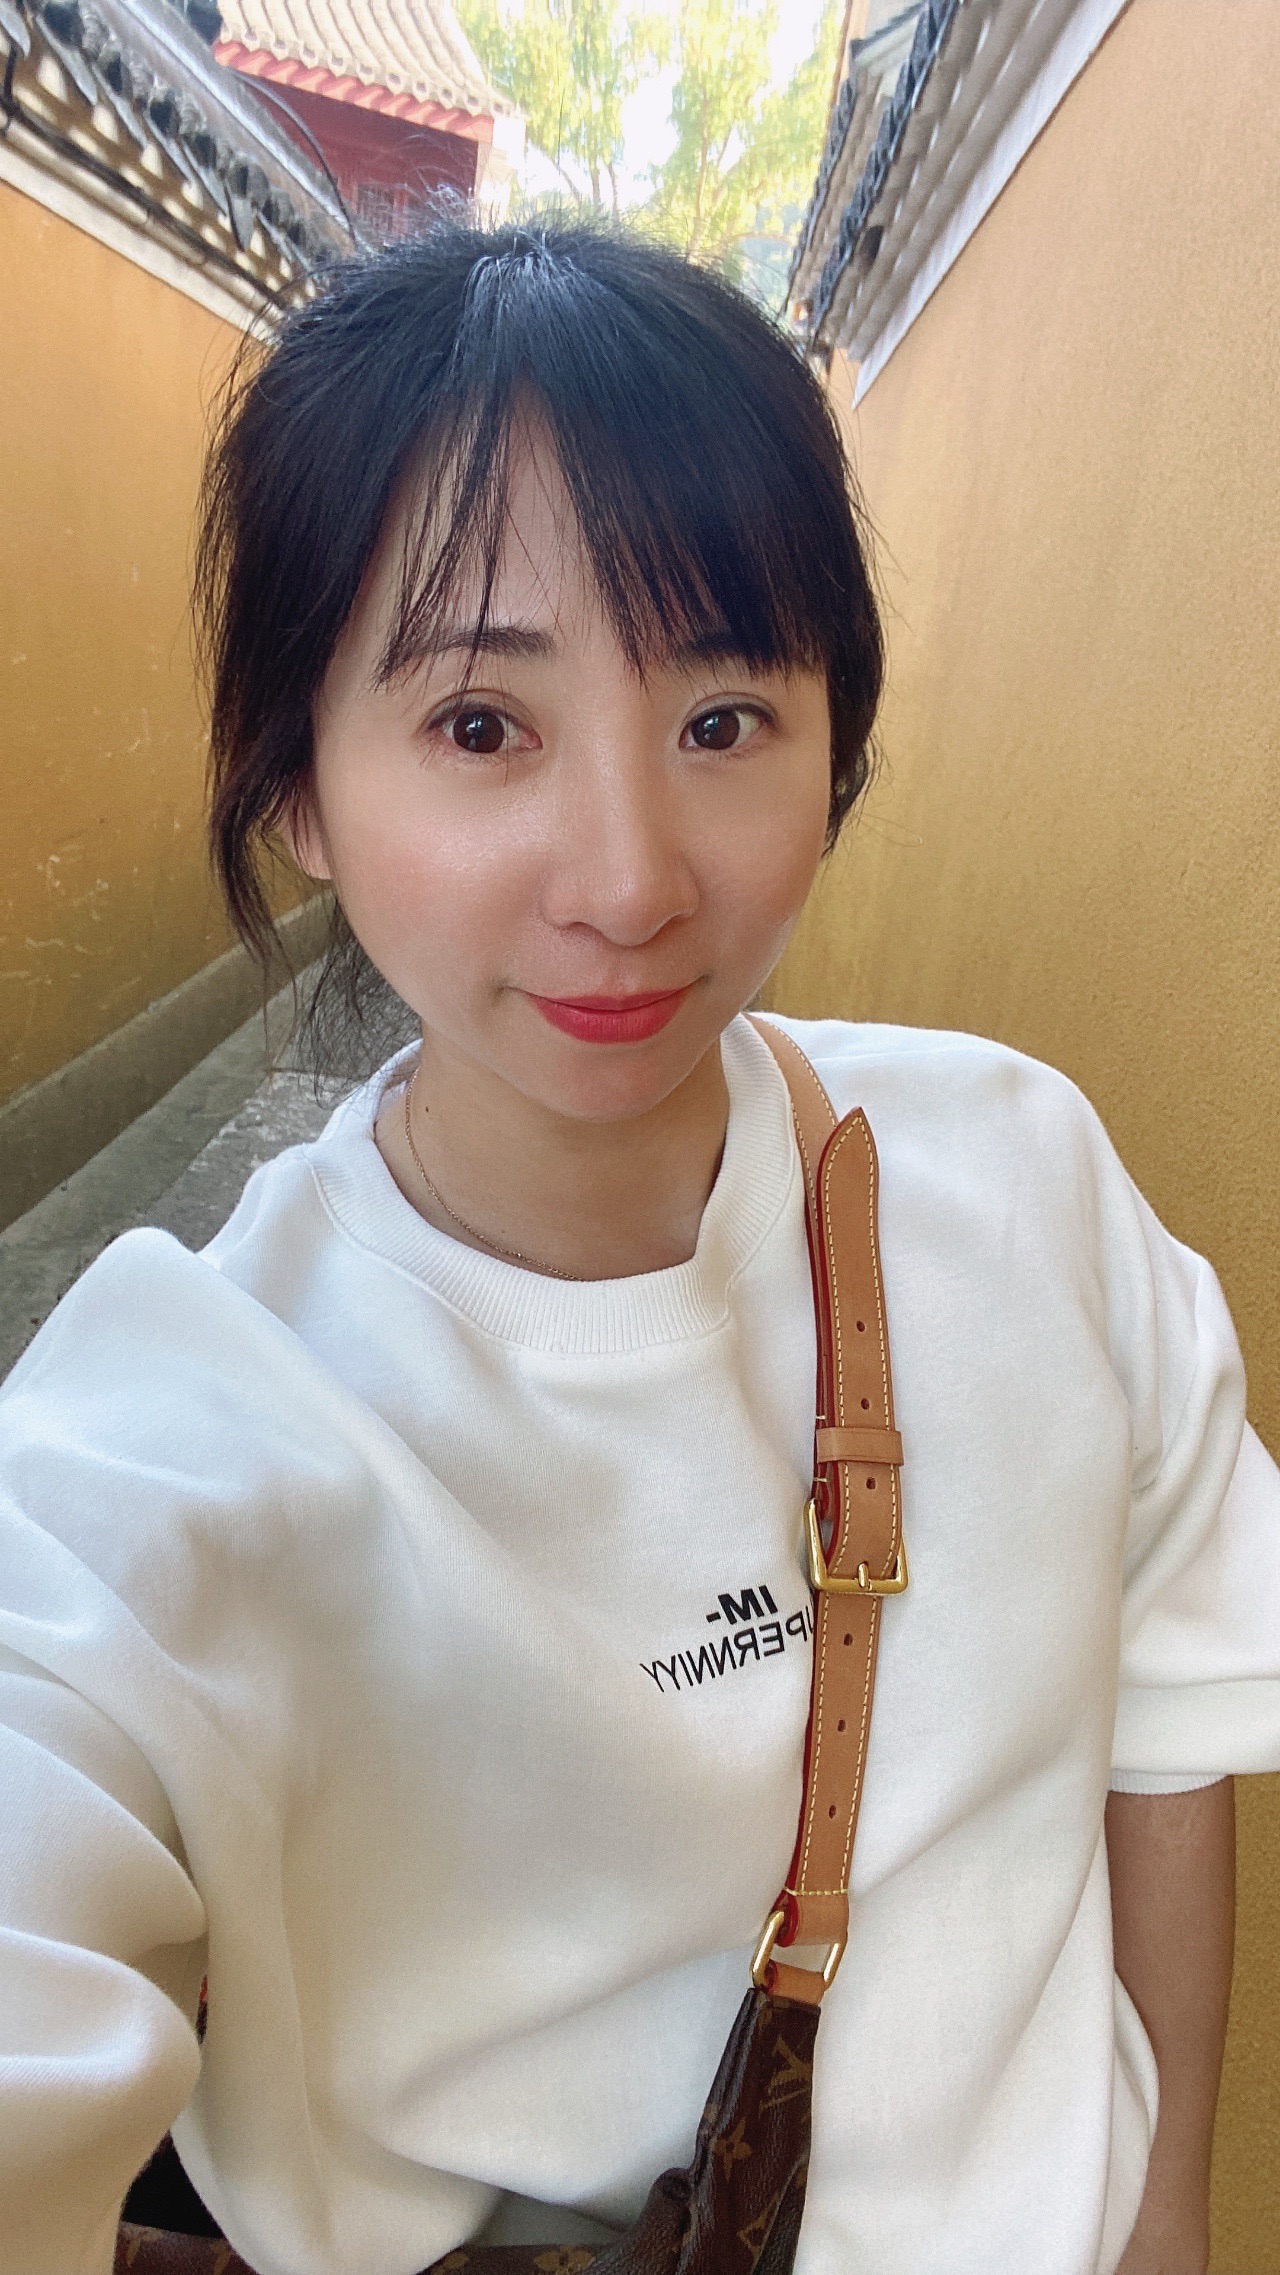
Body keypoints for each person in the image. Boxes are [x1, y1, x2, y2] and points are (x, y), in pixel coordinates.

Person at [0, 221, 1277, 2275]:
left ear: (836, 737)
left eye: (724, 716)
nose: (627, 880)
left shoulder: (1020, 1174)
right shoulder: (174, 1440)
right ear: (298, 783)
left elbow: (1171, 1699)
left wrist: (1170, 2217)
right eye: (480, 726)